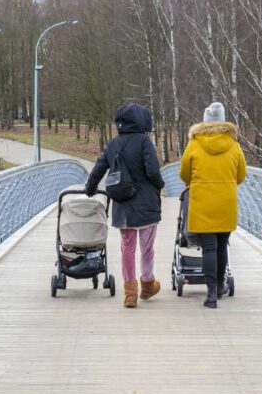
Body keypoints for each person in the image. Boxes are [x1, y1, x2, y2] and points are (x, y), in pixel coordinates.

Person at [85, 103, 165, 308]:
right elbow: (153, 171)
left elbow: (99, 167)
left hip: (123, 204)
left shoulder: (113, 144)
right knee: (147, 248)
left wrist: (90, 187)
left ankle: (130, 293)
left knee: (127, 248)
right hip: (146, 203)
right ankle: (147, 285)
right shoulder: (144, 142)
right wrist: (160, 185)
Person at [179, 102, 247, 309]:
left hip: (202, 202)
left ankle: (210, 295)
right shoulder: (234, 144)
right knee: (221, 246)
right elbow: (241, 174)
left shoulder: (195, 143)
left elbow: (184, 172)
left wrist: (194, 184)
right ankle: (219, 285)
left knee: (208, 248)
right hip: (225, 202)